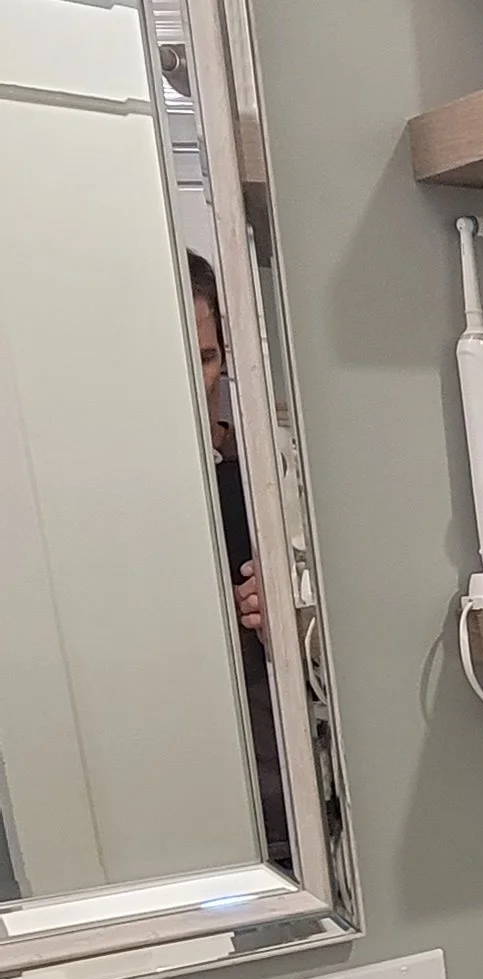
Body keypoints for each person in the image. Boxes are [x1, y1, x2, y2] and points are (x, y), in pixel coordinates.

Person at [189, 251, 292, 867]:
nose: (195, 378)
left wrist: (290, 599)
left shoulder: (265, 473)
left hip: (272, 777)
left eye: (205, 358)